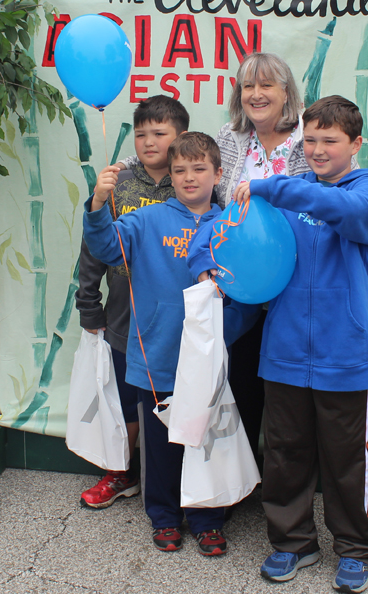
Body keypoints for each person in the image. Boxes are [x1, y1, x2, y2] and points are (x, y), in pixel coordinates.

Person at [187, 96, 368, 592]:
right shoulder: (287, 191)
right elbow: (213, 233)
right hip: (281, 353)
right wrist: (207, 268)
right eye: (312, 141)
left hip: (345, 354)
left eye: (331, 141)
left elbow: (338, 207)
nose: (319, 150)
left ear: (355, 144)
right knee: (284, 452)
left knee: (346, 460)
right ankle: (292, 543)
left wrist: (270, 186)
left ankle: (355, 547)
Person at [83, 131, 252, 556]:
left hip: (209, 359)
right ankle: (163, 516)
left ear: (218, 173)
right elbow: (105, 246)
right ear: (171, 177)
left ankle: (207, 519)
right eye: (180, 170)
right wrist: (99, 205)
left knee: (205, 440)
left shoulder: (233, 224)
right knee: (160, 448)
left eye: (199, 169)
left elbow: (248, 292)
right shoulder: (148, 219)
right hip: (155, 355)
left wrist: (218, 337)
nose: (189, 177)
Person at [75, 95, 189, 508]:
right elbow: (93, 247)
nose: (148, 141)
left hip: (173, 322)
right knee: (123, 401)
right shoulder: (118, 183)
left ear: (181, 136)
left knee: (169, 404)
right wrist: (89, 303)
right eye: (141, 134)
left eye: (160, 133)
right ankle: (119, 472)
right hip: (122, 315)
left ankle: (178, 484)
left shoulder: (190, 184)